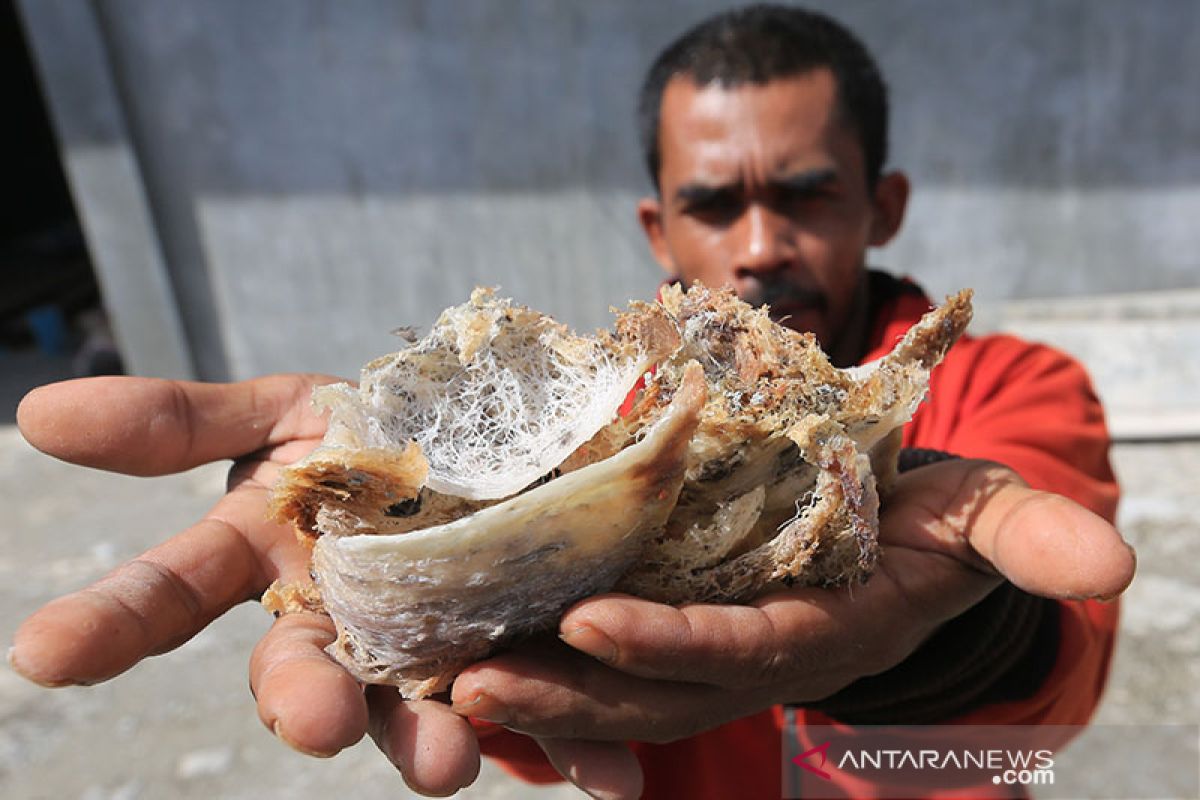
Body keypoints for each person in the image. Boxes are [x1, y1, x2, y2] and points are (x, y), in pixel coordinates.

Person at [11, 5, 1134, 799]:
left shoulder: (1012, 387)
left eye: (805, 195)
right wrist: (455, 579)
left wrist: (947, 620)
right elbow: (513, 725)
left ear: (881, 204)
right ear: (659, 228)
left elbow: (1051, 699)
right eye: (714, 203)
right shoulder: (599, 404)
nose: (757, 246)